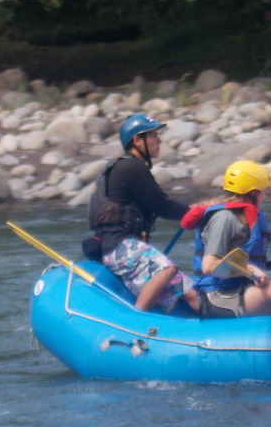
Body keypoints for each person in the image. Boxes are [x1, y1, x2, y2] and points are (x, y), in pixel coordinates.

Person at [86, 113, 201, 313]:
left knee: (193, 294)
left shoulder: (129, 167)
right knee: (166, 269)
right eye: (153, 136)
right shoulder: (130, 167)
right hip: (119, 247)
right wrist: (196, 214)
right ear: (137, 141)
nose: (159, 140)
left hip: (127, 248)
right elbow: (163, 207)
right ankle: (134, 322)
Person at [180, 160, 271, 317]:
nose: (264, 195)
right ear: (253, 192)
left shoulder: (241, 216)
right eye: (263, 190)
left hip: (237, 288)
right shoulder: (225, 219)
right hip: (216, 296)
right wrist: (251, 269)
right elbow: (208, 266)